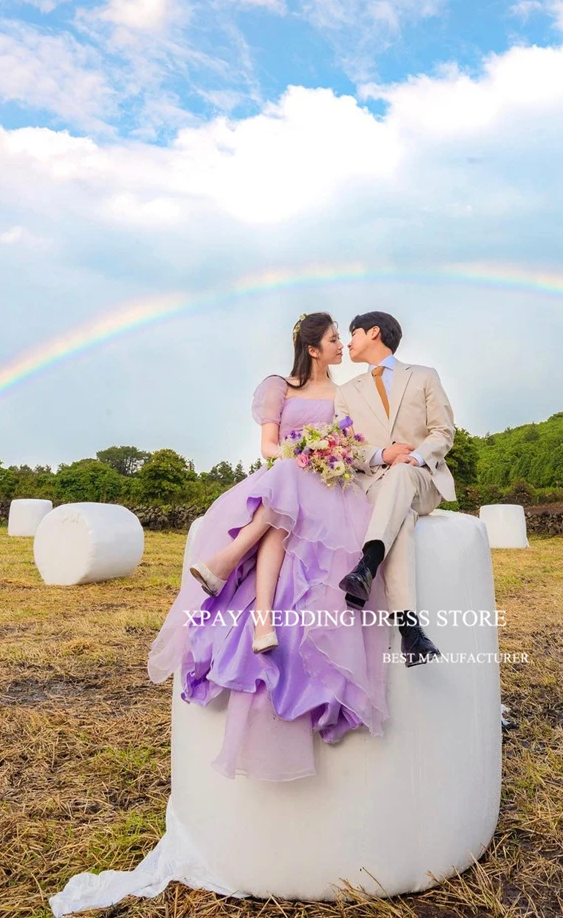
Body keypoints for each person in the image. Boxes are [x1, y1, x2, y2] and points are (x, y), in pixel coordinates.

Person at [147, 312, 390, 781]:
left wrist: (324, 455)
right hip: (288, 474)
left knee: (283, 503)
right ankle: (259, 619)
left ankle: (231, 570)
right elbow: (269, 447)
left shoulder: (344, 393)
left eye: (343, 338)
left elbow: (350, 443)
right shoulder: (281, 386)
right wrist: (304, 453)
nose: (342, 346)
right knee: (282, 497)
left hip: (326, 484)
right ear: (313, 348)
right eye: (335, 339)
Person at [334, 311, 457, 666]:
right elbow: (344, 445)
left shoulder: (424, 376)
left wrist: (415, 457)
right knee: (398, 518)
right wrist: (381, 454)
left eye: (352, 334)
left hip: (422, 478)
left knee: (402, 480)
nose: (347, 342)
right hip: (374, 482)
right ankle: (410, 631)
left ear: (373, 332)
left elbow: (443, 431)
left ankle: (367, 564)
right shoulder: (346, 392)